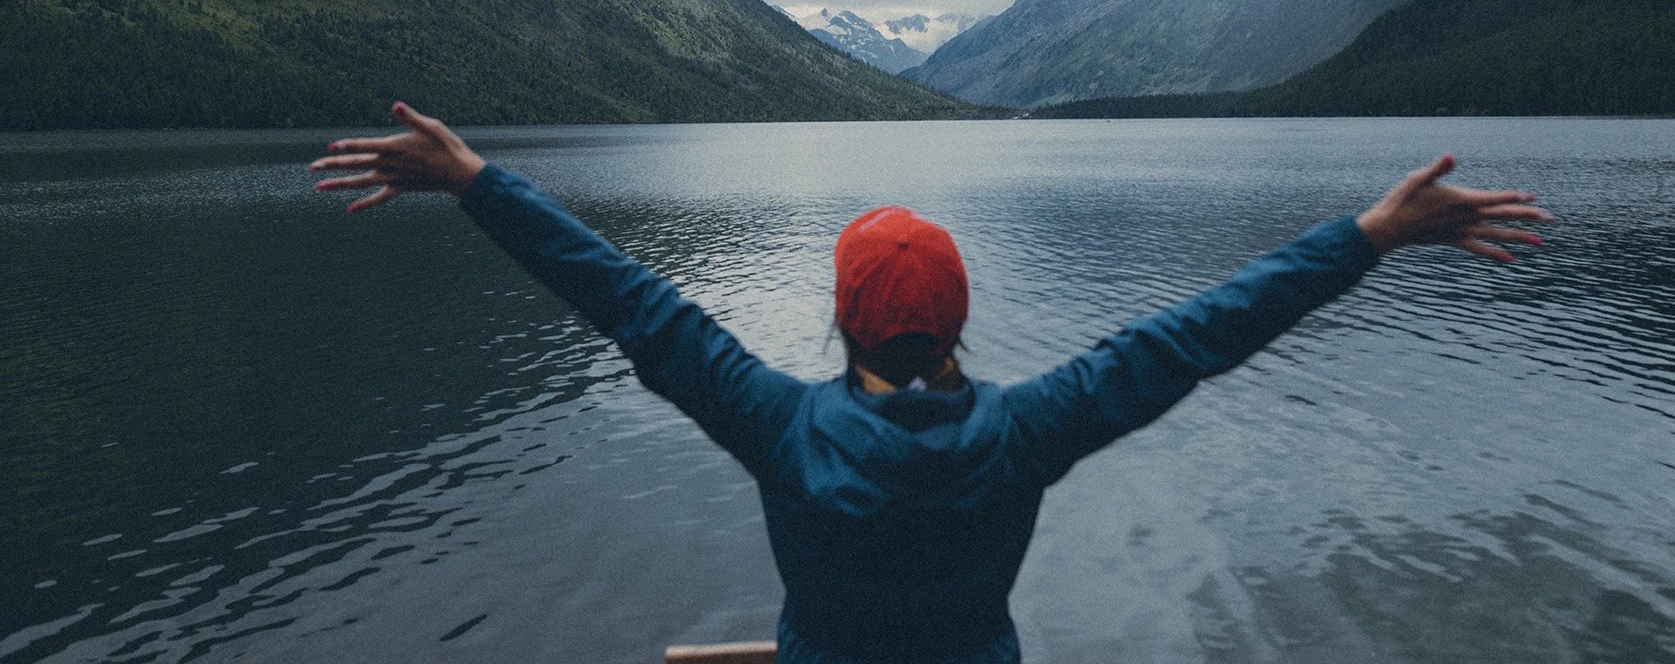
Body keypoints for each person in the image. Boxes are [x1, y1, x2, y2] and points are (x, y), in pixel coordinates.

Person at [311, 102, 1552, 664]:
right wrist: (1373, 233)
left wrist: (478, 180)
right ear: (961, 317)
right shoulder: (1029, 429)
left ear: (840, 315)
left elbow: (629, 298)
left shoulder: (776, 425)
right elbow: (1203, 330)